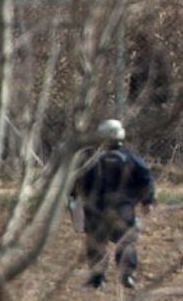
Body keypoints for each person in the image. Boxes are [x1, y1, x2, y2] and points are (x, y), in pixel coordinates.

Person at [73, 120, 155, 290]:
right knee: (125, 241)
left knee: (96, 242)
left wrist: (73, 196)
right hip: (123, 207)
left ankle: (97, 278)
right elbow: (145, 178)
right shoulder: (130, 156)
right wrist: (147, 200)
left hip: (95, 206)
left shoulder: (90, 158)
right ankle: (127, 275)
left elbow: (77, 179)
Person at [128, 33, 171, 109]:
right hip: (142, 102)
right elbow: (133, 84)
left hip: (154, 101)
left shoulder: (158, 58)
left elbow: (164, 81)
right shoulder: (139, 60)